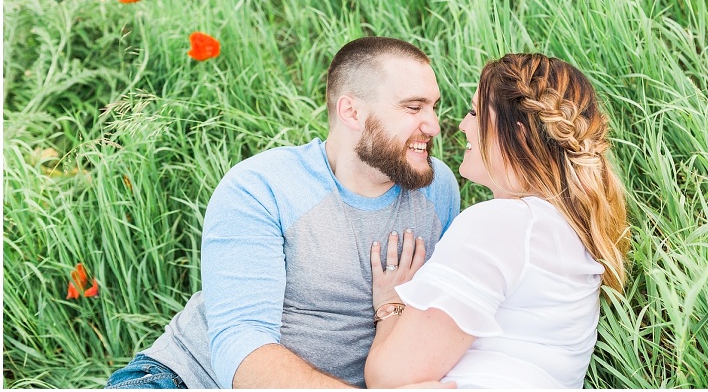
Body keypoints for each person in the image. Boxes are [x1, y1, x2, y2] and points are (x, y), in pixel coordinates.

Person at [105, 36, 461, 389]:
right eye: (414, 108)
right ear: (352, 112)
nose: (432, 125)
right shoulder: (263, 186)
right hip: (190, 380)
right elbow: (241, 346)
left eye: (433, 107)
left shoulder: (438, 189)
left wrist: (392, 312)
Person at [365, 53, 630, 389]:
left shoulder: (501, 224)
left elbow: (389, 378)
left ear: (516, 135)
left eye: (475, 112)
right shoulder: (571, 232)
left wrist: (391, 304)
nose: (462, 125)